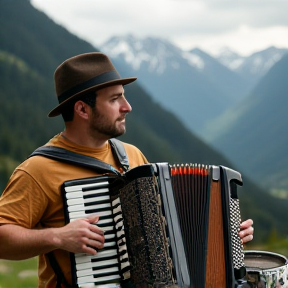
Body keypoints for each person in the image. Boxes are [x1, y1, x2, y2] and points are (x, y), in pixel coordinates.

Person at [0, 52, 254, 288]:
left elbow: (167, 230)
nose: (127, 106)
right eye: (114, 99)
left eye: (123, 95)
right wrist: (57, 237)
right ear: (82, 109)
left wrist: (225, 235)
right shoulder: (39, 170)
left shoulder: (132, 155)